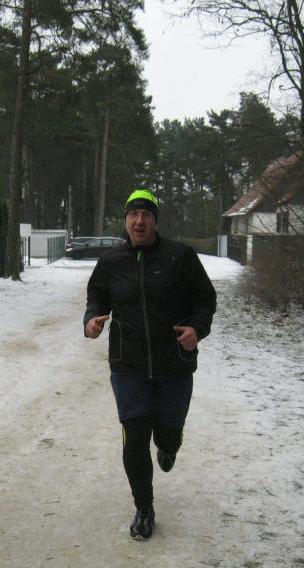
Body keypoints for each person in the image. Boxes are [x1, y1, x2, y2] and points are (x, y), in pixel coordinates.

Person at [83, 189, 216, 540]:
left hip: (175, 364)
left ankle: (169, 444)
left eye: (146, 215)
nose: (139, 221)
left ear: (156, 220)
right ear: (125, 220)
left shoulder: (180, 256)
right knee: (135, 438)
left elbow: (205, 299)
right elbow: (96, 298)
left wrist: (196, 328)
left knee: (167, 434)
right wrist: (91, 320)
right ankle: (144, 507)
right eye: (133, 215)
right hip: (128, 365)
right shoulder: (111, 261)